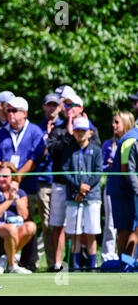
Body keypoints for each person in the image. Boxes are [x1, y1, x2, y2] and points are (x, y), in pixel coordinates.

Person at [47, 91, 101, 271]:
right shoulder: (59, 129)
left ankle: (89, 263)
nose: (69, 109)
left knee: (89, 230)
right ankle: (62, 264)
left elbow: (97, 165)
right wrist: (69, 134)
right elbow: (56, 155)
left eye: (73, 105)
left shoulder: (92, 135)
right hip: (66, 187)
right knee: (66, 227)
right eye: (66, 105)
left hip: (88, 192)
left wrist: (84, 188)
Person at [0, 96, 45, 271]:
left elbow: (34, 159)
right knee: (2, 224)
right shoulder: (1, 132)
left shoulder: (35, 131)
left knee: (26, 222)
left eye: (14, 110)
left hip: (27, 186)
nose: (10, 114)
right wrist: (4, 180)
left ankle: (27, 262)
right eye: (8, 110)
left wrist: (15, 178)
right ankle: (0, 260)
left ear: (24, 113)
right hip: (3, 187)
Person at [0, 161, 37, 274]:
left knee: (31, 226)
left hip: (15, 227)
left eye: (5, 176)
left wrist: (15, 197)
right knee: (11, 229)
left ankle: (5, 259)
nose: (1, 178)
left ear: (13, 178)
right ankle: (12, 265)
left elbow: (24, 215)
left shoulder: (20, 193)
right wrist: (9, 200)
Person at [61, 117, 103, 270]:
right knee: (75, 232)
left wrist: (86, 187)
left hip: (92, 197)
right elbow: (65, 172)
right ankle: (75, 265)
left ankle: (92, 265)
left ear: (90, 133)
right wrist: (78, 187)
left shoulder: (96, 150)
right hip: (73, 196)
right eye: (77, 130)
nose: (80, 133)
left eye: (83, 131)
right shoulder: (68, 150)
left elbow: (98, 172)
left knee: (91, 232)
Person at [101, 111, 135, 263]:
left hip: (124, 190)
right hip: (123, 191)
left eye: (117, 122)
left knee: (126, 228)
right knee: (125, 229)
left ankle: (126, 262)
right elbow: (126, 171)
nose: (113, 125)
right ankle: (125, 262)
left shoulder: (129, 138)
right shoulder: (130, 140)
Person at [36, 93, 64, 269]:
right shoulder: (37, 128)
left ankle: (62, 261)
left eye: (55, 105)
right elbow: (37, 156)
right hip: (43, 180)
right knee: (47, 225)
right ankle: (52, 262)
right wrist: (46, 140)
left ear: (60, 107)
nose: (52, 108)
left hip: (62, 181)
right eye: (49, 105)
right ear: (44, 107)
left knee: (61, 224)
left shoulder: (67, 126)